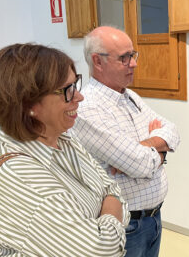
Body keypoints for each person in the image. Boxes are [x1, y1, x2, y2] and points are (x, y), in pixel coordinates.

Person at [0, 43, 129, 256]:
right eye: (67, 90)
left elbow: (111, 187)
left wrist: (108, 211)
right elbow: (101, 250)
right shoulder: (22, 177)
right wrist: (112, 208)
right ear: (28, 103)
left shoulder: (63, 137)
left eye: (75, 84)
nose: (79, 97)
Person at [72, 26, 180, 257]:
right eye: (124, 58)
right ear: (97, 62)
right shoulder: (88, 108)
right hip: (128, 227)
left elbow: (173, 131)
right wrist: (160, 151)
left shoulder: (130, 96)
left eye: (133, 55)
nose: (134, 63)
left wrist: (142, 146)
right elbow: (141, 165)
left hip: (153, 218)